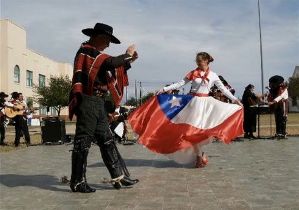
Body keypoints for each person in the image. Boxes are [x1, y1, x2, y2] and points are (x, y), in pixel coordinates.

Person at [130, 52, 243, 168]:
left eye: (200, 61)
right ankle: (199, 156)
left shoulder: (213, 75)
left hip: (206, 105)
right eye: (197, 61)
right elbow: (180, 83)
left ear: (206, 61)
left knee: (200, 132)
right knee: (190, 133)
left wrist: (235, 100)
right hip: (193, 104)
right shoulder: (193, 73)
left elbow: (224, 90)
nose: (198, 63)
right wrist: (165, 89)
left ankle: (199, 155)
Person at [68, 22, 138, 193]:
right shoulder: (87, 50)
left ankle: (119, 177)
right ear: (99, 37)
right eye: (107, 41)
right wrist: (127, 55)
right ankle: (77, 181)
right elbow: (112, 63)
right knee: (83, 141)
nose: (108, 45)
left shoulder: (96, 55)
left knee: (107, 140)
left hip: (98, 102)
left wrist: (129, 61)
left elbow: (110, 70)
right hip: (88, 100)